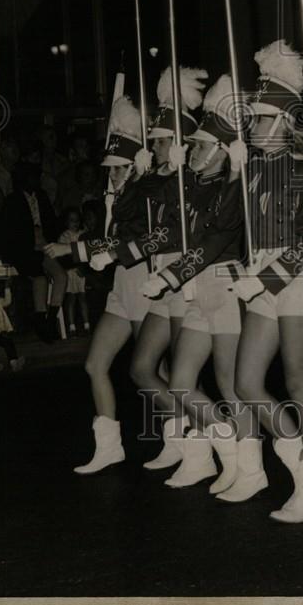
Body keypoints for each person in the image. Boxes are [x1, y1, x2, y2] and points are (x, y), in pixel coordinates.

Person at [229, 40, 303, 520]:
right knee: (246, 381)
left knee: (297, 381)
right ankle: (300, 462)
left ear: (288, 122)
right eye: (251, 119)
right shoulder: (251, 168)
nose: (253, 128)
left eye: (262, 119)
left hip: (295, 275)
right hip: (258, 276)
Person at [138, 75, 253, 492]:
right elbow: (157, 198)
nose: (194, 152)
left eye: (202, 146)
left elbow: (216, 237)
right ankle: (228, 452)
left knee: (230, 384)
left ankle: (252, 471)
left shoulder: (232, 188)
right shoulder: (194, 184)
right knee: (183, 383)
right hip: (196, 288)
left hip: (223, 286)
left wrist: (240, 172)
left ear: (225, 152)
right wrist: (150, 168)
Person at [95, 65, 209, 474]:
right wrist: (140, 176)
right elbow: (131, 213)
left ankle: (203, 451)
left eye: (161, 141)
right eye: (156, 141)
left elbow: (174, 227)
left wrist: (184, 171)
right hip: (155, 282)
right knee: (144, 368)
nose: (156, 146)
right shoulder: (155, 176)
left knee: (182, 376)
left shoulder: (190, 177)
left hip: (183, 280)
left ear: (179, 142)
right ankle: (184, 442)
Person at [45, 96, 156, 473]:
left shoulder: (143, 194)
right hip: (121, 288)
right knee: (95, 364)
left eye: (119, 168)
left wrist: (72, 247)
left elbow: (125, 242)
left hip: (143, 281)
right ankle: (110, 448)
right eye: (109, 169)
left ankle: (192, 442)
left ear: (135, 166)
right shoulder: (119, 195)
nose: (111, 174)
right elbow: (110, 239)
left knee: (154, 372)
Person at [0, 160, 66, 342]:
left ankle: (51, 319)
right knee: (40, 278)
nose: (35, 180)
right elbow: (5, 231)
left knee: (61, 276)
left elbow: (52, 222)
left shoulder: (41, 196)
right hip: (24, 249)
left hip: (43, 245)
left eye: (36, 176)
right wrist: (8, 255)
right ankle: (40, 321)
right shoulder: (12, 200)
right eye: (31, 176)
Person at [59, 207, 90, 336]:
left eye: (77, 220)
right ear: (66, 222)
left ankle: (87, 324)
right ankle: (71, 326)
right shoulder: (64, 236)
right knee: (71, 298)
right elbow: (64, 255)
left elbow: (88, 251)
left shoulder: (83, 233)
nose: (75, 223)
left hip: (81, 271)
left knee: (83, 298)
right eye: (72, 220)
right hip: (70, 271)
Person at [0, 281, 26, 373]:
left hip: (1, 332)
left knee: (8, 342)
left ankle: (14, 362)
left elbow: (8, 301)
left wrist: (7, 287)